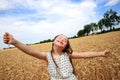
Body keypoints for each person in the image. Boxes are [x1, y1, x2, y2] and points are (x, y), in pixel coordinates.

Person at [3, 32, 110, 80]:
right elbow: (30, 51)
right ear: (53, 41)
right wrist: (14, 42)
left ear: (65, 46)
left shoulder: (68, 55)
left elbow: (85, 54)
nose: (62, 40)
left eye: (65, 40)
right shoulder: (46, 56)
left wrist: (101, 53)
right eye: (60, 38)